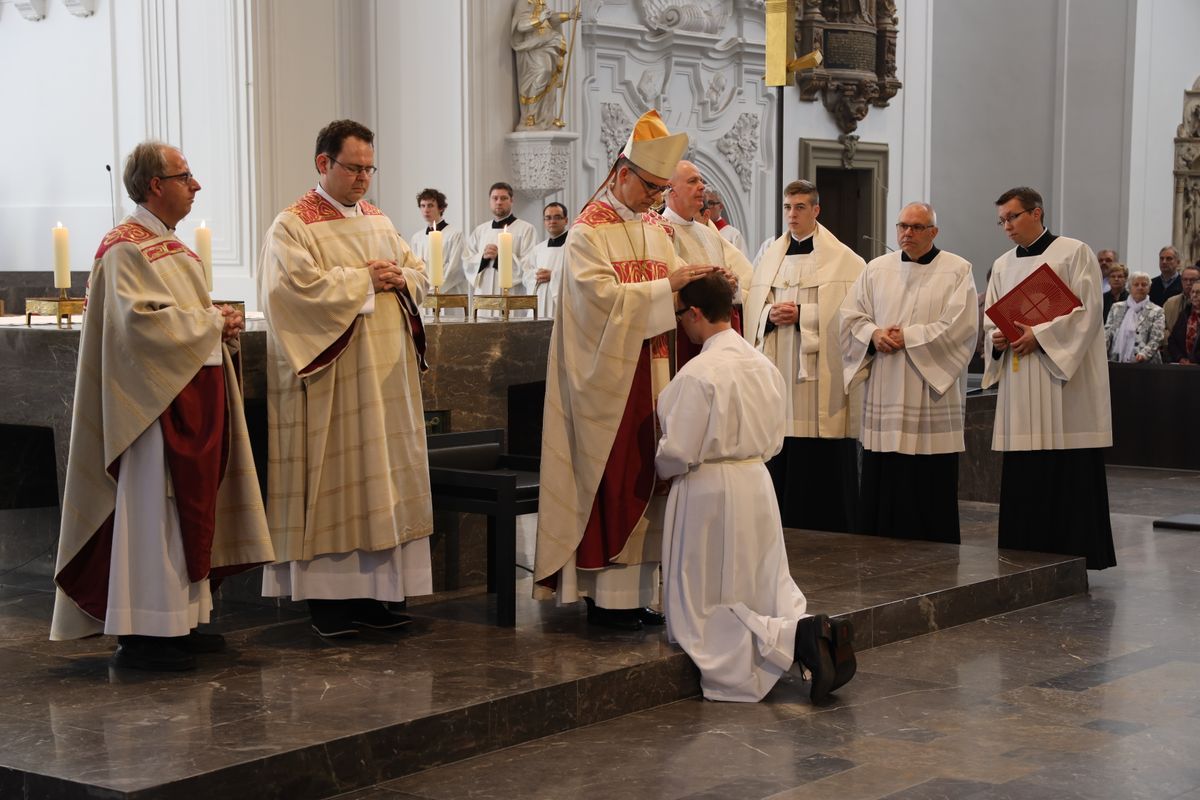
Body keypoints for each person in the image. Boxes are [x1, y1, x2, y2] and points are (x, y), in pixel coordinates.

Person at [50, 141, 274, 670]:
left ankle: (183, 620)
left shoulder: (175, 249)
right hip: (147, 414)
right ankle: (146, 629)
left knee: (183, 518)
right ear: (156, 185)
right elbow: (142, 327)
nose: (195, 185)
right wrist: (212, 323)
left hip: (186, 400)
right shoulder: (124, 248)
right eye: (185, 176)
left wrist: (222, 326)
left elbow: (187, 320)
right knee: (152, 516)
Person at [533, 109, 710, 630]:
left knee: (651, 476)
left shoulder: (656, 228)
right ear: (622, 172)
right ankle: (605, 596)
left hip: (656, 368)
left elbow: (664, 293)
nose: (657, 198)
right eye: (651, 187)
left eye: (662, 189)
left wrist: (690, 289)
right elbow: (598, 304)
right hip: (606, 377)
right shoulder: (588, 232)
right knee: (615, 474)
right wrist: (668, 287)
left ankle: (638, 596)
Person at [257, 119, 434, 637]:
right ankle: (329, 601)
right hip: (332, 382)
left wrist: (405, 278)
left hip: (385, 381)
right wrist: (364, 280)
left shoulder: (379, 220)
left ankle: (377, 595)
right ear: (323, 164)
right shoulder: (292, 225)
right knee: (337, 484)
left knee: (383, 481)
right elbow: (288, 293)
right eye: (353, 168)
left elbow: (417, 272)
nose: (363, 178)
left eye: (368, 168)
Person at [657, 272, 854, 704]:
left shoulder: (698, 373)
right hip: (757, 482)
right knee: (758, 583)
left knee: (705, 601)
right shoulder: (763, 364)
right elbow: (776, 438)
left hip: (708, 488)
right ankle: (801, 631)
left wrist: (659, 463)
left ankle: (798, 636)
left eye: (680, 316)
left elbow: (678, 450)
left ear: (693, 313)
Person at [983, 186, 1116, 570]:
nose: (1006, 226)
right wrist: (997, 338)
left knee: (1066, 466)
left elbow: (1089, 312)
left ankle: (1074, 552)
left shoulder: (1074, 252)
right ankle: (1024, 552)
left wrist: (1038, 336)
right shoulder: (1003, 264)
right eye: (1002, 220)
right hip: (1021, 380)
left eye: (1013, 217)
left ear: (1036, 213)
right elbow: (992, 318)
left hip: (1062, 381)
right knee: (1026, 468)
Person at [840, 202, 978, 543]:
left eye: (916, 227)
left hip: (928, 390)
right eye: (902, 226)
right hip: (887, 380)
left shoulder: (957, 270)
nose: (907, 233)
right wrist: (874, 335)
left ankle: (932, 541)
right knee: (885, 470)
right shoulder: (876, 269)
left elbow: (961, 327)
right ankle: (879, 537)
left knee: (927, 474)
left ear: (933, 232)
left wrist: (910, 337)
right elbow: (850, 317)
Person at [743, 180, 866, 533]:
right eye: (787, 207)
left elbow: (851, 317)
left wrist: (804, 315)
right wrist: (769, 316)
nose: (792, 214)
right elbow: (754, 310)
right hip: (779, 366)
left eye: (799, 207)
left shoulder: (846, 261)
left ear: (816, 210)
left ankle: (827, 520)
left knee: (819, 454)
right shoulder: (768, 259)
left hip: (817, 377)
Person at [464, 182, 537, 312]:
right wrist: (482, 258)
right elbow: (467, 261)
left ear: (511, 200)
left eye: (503, 198)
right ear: (490, 201)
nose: (499, 202)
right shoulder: (480, 230)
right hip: (484, 294)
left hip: (512, 294)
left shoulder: (526, 229)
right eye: (495, 198)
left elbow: (529, 265)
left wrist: (501, 258)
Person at [511, 0, 577, 130]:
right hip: (533, 46)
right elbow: (520, 26)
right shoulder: (524, 2)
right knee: (543, 72)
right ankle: (530, 116)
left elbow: (550, 19)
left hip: (547, 42)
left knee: (550, 77)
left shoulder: (541, 1)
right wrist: (539, 19)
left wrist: (568, 15)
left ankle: (545, 117)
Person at [409, 188, 467, 316]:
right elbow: (413, 267)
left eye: (430, 205)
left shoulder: (454, 235)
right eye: (422, 206)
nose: (426, 210)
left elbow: (456, 268)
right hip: (424, 296)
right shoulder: (417, 238)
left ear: (440, 208)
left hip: (448, 294)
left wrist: (434, 288)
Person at [521, 201, 570, 319]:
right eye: (548, 218)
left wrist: (554, 275)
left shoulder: (574, 246)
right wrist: (536, 275)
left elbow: (579, 275)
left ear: (566, 220)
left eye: (557, 217)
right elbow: (526, 276)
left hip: (561, 307)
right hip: (539, 305)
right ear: (544, 222)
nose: (552, 221)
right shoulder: (538, 249)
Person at [1105, 271, 1164, 364]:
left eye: (1144, 285)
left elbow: (1157, 338)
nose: (1140, 287)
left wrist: (1144, 355)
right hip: (1116, 360)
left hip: (1146, 363)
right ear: (1129, 288)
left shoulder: (1157, 311)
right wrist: (1102, 353)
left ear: (1149, 288)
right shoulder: (1116, 307)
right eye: (1136, 284)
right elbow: (1107, 333)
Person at [1161, 265, 1200, 350]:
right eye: (1185, 279)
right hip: (1172, 352)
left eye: (1192, 280)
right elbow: (1161, 327)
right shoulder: (1170, 303)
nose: (1188, 283)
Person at [702, 188, 750, 257]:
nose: (706, 208)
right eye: (704, 204)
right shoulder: (697, 231)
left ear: (721, 207)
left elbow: (742, 264)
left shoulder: (733, 235)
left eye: (710, 203)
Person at [1166, 282, 1200, 364]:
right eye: (1192, 292)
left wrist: (1193, 361)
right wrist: (1180, 358)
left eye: (1198, 292)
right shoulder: (1185, 313)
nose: (1194, 295)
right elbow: (1172, 340)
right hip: (1183, 365)